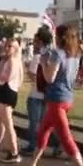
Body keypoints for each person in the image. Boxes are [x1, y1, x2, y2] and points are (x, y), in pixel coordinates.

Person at [28, 25, 83, 166]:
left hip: (57, 100)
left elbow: (49, 78)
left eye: (55, 35)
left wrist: (44, 64)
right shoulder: (74, 55)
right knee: (43, 132)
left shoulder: (57, 54)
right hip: (65, 98)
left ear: (60, 37)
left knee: (67, 140)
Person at [21, 27, 60, 155]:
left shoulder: (38, 57)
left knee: (34, 123)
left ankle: (33, 145)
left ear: (40, 42)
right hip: (49, 95)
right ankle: (57, 144)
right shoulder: (53, 55)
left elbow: (32, 75)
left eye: (35, 41)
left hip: (36, 95)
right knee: (48, 123)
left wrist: (28, 71)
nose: (34, 44)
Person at [0, 39, 23, 163]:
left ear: (16, 48)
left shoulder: (13, 61)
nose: (7, 48)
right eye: (6, 45)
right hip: (10, 91)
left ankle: (14, 152)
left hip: (7, 91)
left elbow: (8, 77)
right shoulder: (11, 60)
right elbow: (21, 79)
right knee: (2, 121)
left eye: (10, 46)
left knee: (8, 124)